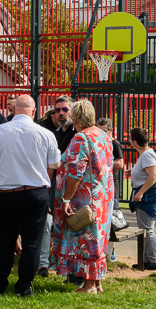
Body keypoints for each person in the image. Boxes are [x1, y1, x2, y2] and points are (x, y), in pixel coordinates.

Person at [0, 94, 60, 297]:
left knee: (5, 239)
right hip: (36, 192)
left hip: (7, 192)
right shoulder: (45, 134)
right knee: (32, 241)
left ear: (14, 110)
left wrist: (5, 163)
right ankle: (24, 286)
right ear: (33, 112)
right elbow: (55, 164)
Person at [50, 100, 114, 294]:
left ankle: (88, 286)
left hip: (85, 198)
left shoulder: (81, 138)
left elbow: (76, 172)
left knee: (86, 241)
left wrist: (66, 198)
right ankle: (97, 283)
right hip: (103, 198)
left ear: (76, 118)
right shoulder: (103, 135)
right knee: (97, 241)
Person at [37, 95, 76, 276]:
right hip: (55, 187)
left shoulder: (78, 134)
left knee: (72, 226)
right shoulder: (55, 134)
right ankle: (58, 264)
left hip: (73, 189)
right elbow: (51, 164)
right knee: (57, 227)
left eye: (65, 109)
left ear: (72, 111)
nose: (61, 113)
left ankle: (74, 268)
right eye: (57, 110)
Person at [128, 127, 156, 271]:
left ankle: (153, 260)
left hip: (149, 195)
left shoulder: (146, 155)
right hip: (147, 193)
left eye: (131, 139)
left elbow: (153, 175)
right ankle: (146, 259)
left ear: (135, 142)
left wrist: (141, 193)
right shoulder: (146, 154)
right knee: (145, 228)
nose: (130, 141)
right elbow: (146, 172)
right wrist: (131, 172)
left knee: (147, 228)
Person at [97, 117, 124, 261]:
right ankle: (101, 250)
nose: (101, 133)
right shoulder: (97, 143)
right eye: (98, 130)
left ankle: (111, 252)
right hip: (99, 187)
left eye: (104, 131)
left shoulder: (114, 143)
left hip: (112, 187)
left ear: (110, 131)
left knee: (112, 220)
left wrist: (104, 164)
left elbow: (120, 164)